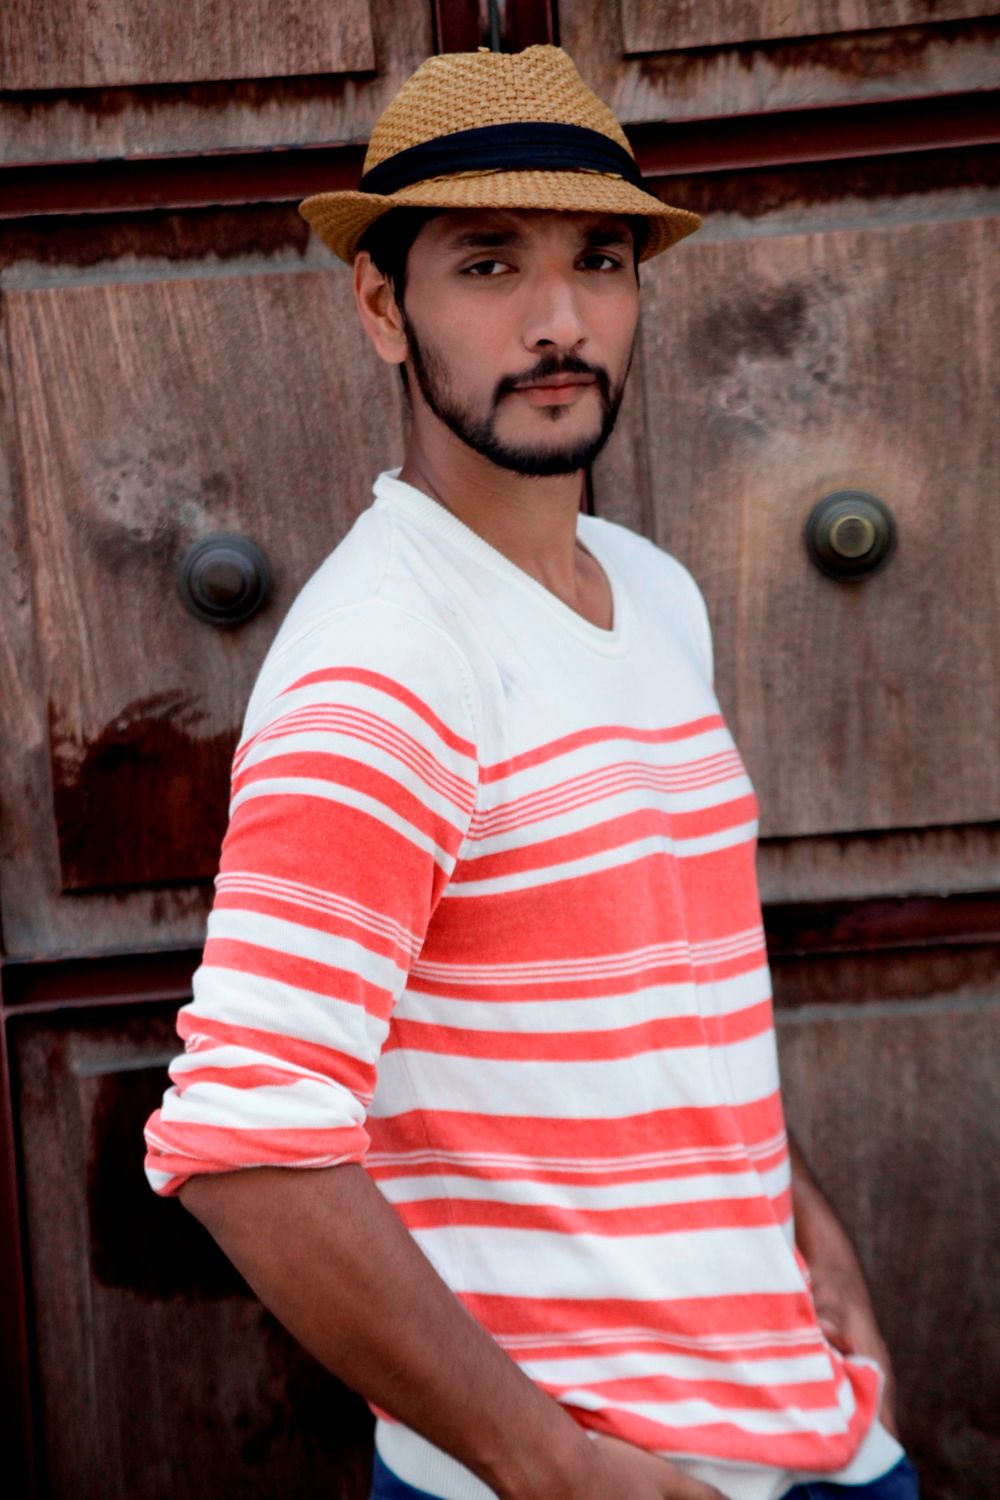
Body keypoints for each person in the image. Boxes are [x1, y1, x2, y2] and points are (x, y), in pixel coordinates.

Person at [144, 44, 920, 1500]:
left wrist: (804, 1227)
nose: (560, 322)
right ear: (383, 306)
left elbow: (663, 989)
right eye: (490, 264)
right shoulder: (382, 667)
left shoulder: (650, 589)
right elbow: (246, 1147)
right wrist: (557, 1469)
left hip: (810, 1423)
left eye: (599, 262)